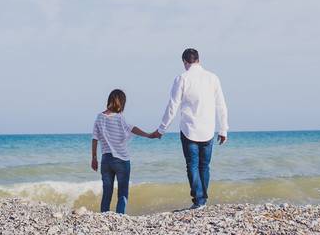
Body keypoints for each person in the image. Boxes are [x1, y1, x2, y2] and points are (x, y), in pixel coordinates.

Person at [151, 48, 229, 209]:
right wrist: (223, 130)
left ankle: (199, 201)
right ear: (199, 60)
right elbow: (221, 105)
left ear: (185, 62)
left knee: (192, 165)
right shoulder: (212, 78)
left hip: (189, 130)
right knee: (204, 166)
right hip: (208, 130)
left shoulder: (182, 78)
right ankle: (203, 200)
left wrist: (161, 129)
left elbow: (173, 106)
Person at [91, 88, 156, 214]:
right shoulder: (120, 118)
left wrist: (94, 158)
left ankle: (104, 216)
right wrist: (148, 135)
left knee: (107, 192)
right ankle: (119, 217)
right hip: (122, 160)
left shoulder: (99, 117)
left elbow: (94, 139)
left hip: (106, 160)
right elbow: (132, 129)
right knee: (123, 192)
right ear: (121, 102)